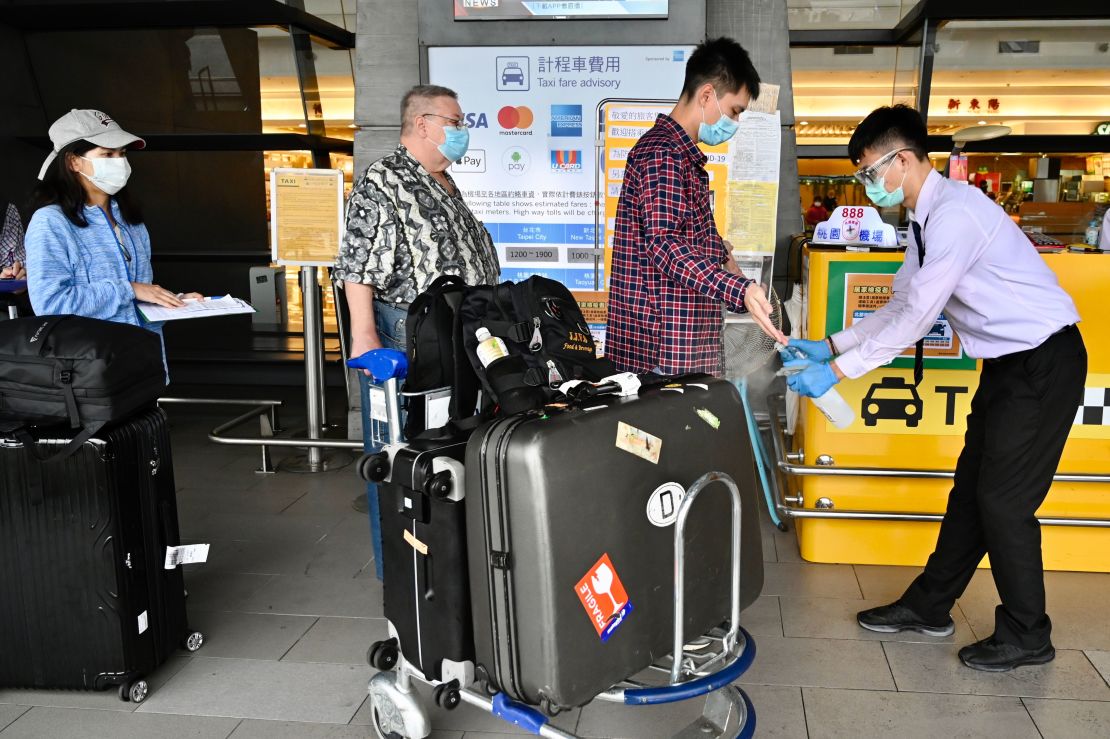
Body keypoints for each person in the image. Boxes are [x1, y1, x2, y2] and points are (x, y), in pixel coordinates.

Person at [784, 104, 1086, 672]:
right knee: (972, 489)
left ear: (901, 161)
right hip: (1008, 367)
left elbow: (919, 316)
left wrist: (841, 372)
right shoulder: (924, 221)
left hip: (1044, 361)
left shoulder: (955, 216)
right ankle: (930, 606)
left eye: (869, 172)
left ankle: (1028, 634)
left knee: (1004, 501)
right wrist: (831, 346)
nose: (867, 184)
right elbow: (902, 303)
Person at [333, 84, 500, 578]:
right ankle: (402, 578)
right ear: (423, 123)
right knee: (401, 451)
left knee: (446, 443)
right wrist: (364, 336)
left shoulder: (444, 181)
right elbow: (357, 264)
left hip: (456, 332)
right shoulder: (383, 179)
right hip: (408, 332)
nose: (463, 131)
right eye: (455, 121)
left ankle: (443, 563)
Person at [606, 37, 783, 375]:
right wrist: (740, 289)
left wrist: (743, 286)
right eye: (735, 111)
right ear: (706, 95)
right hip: (663, 351)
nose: (735, 123)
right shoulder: (663, 155)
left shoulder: (683, 159)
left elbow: (698, 241)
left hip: (684, 344)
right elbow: (666, 245)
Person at [24, 109, 200, 370]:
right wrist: (130, 288)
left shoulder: (132, 222)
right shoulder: (50, 222)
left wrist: (173, 302)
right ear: (73, 161)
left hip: (143, 371)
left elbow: (133, 306)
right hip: (91, 381)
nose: (119, 162)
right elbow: (51, 305)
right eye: (107, 154)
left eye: (123, 153)